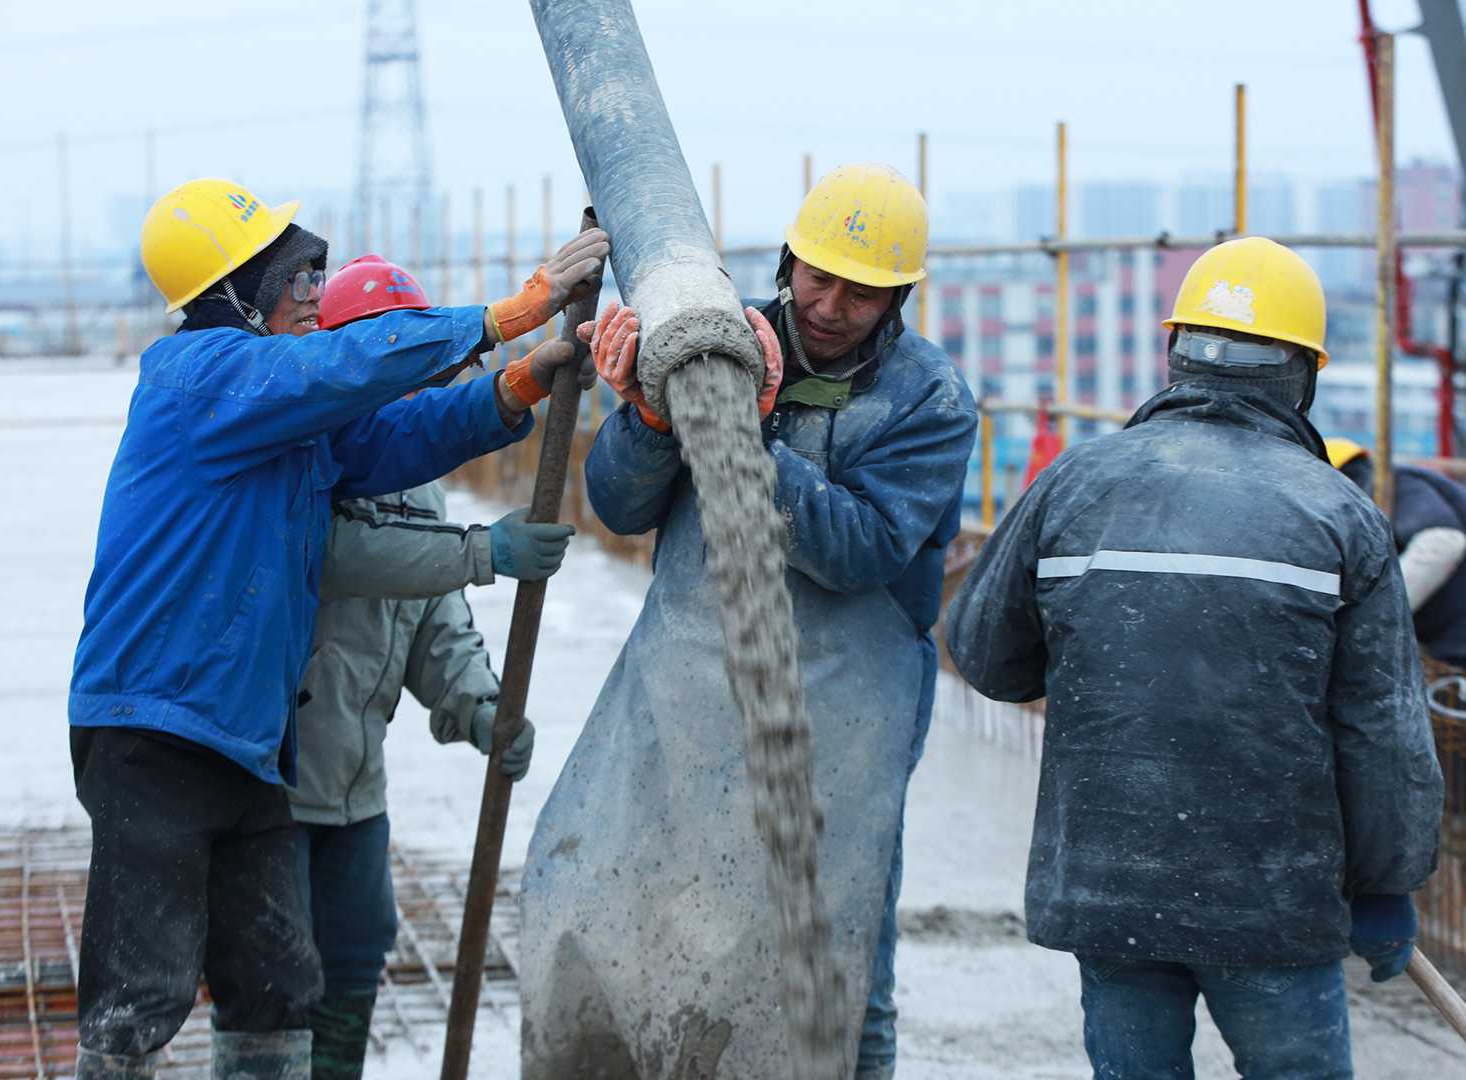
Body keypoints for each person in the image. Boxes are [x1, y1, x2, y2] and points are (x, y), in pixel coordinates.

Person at [67, 179, 606, 1080]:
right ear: (237, 293)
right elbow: (343, 369)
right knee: (140, 993)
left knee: (278, 984)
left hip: (246, 741)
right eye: (295, 277)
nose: (314, 293)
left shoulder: (281, 416)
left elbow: (393, 437)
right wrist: (510, 315)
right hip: (151, 732)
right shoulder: (202, 377)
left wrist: (510, 392)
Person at [518, 164, 977, 1079]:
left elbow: (861, 549)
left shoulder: (928, 399)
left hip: (842, 719)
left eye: (861, 293)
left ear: (898, 298)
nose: (831, 306)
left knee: (838, 951)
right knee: (640, 906)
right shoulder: (716, 344)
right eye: (818, 278)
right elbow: (619, 507)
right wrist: (649, 419)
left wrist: (749, 430)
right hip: (686, 690)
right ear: (789, 261)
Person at [944, 237, 1443, 1079]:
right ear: (1303, 374)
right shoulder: (1340, 515)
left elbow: (987, 656)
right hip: (1273, 901)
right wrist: (1388, 883)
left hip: (1109, 887)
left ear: (1176, 350)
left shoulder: (1074, 483)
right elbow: (1382, 732)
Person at [287, 255, 576, 1079]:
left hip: (354, 788)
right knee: (274, 978)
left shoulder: (423, 492)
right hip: (272, 786)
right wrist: (482, 552)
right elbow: (346, 559)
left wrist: (480, 704)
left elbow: (433, 622)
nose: (415, 393)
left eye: (429, 374)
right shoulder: (302, 463)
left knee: (356, 953)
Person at [1326, 439, 1466, 690]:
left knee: (1459, 714)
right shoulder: (1374, 490)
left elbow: (1443, 542)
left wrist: (1371, 615)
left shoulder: (1388, 484)